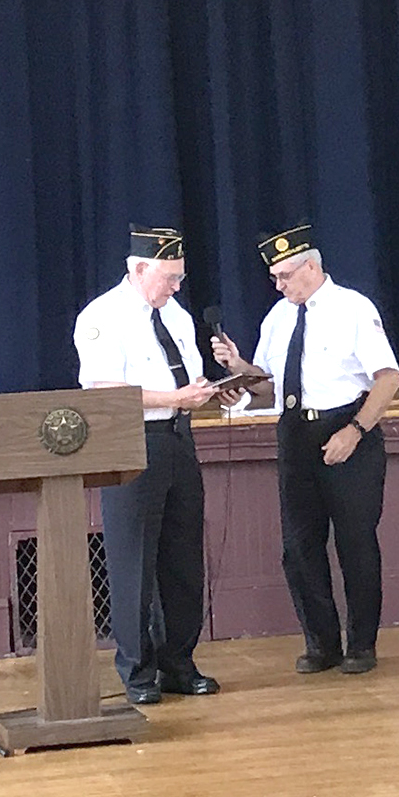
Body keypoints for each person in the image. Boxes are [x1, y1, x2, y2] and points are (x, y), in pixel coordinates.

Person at [211, 223, 399, 674]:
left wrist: (354, 431)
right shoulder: (278, 318)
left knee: (355, 542)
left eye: (285, 276)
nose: (278, 285)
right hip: (296, 433)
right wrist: (239, 371)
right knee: (299, 546)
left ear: (311, 267)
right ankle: (321, 643)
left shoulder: (352, 308)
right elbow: (269, 387)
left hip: (345, 427)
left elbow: (388, 378)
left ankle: (361, 645)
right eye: (274, 278)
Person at [74, 224, 239, 705]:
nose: (175, 286)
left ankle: (179, 663)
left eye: (180, 278)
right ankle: (137, 670)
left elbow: (188, 378)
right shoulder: (102, 317)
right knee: (134, 561)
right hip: (131, 442)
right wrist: (175, 396)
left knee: (183, 555)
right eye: (169, 277)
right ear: (139, 269)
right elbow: (104, 391)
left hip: (177, 438)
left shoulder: (178, 316)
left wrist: (213, 389)